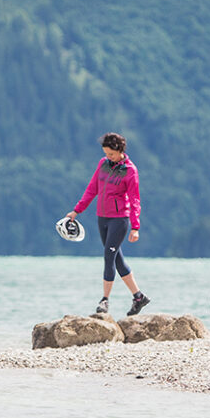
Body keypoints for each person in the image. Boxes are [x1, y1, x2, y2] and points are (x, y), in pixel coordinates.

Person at [67, 132, 150, 317]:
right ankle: (138, 297)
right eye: (106, 153)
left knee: (108, 256)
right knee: (117, 259)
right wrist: (76, 211)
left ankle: (104, 301)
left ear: (120, 150)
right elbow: (92, 189)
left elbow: (135, 200)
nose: (108, 157)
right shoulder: (103, 164)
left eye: (111, 154)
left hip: (119, 219)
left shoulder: (130, 170)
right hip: (102, 218)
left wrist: (135, 227)